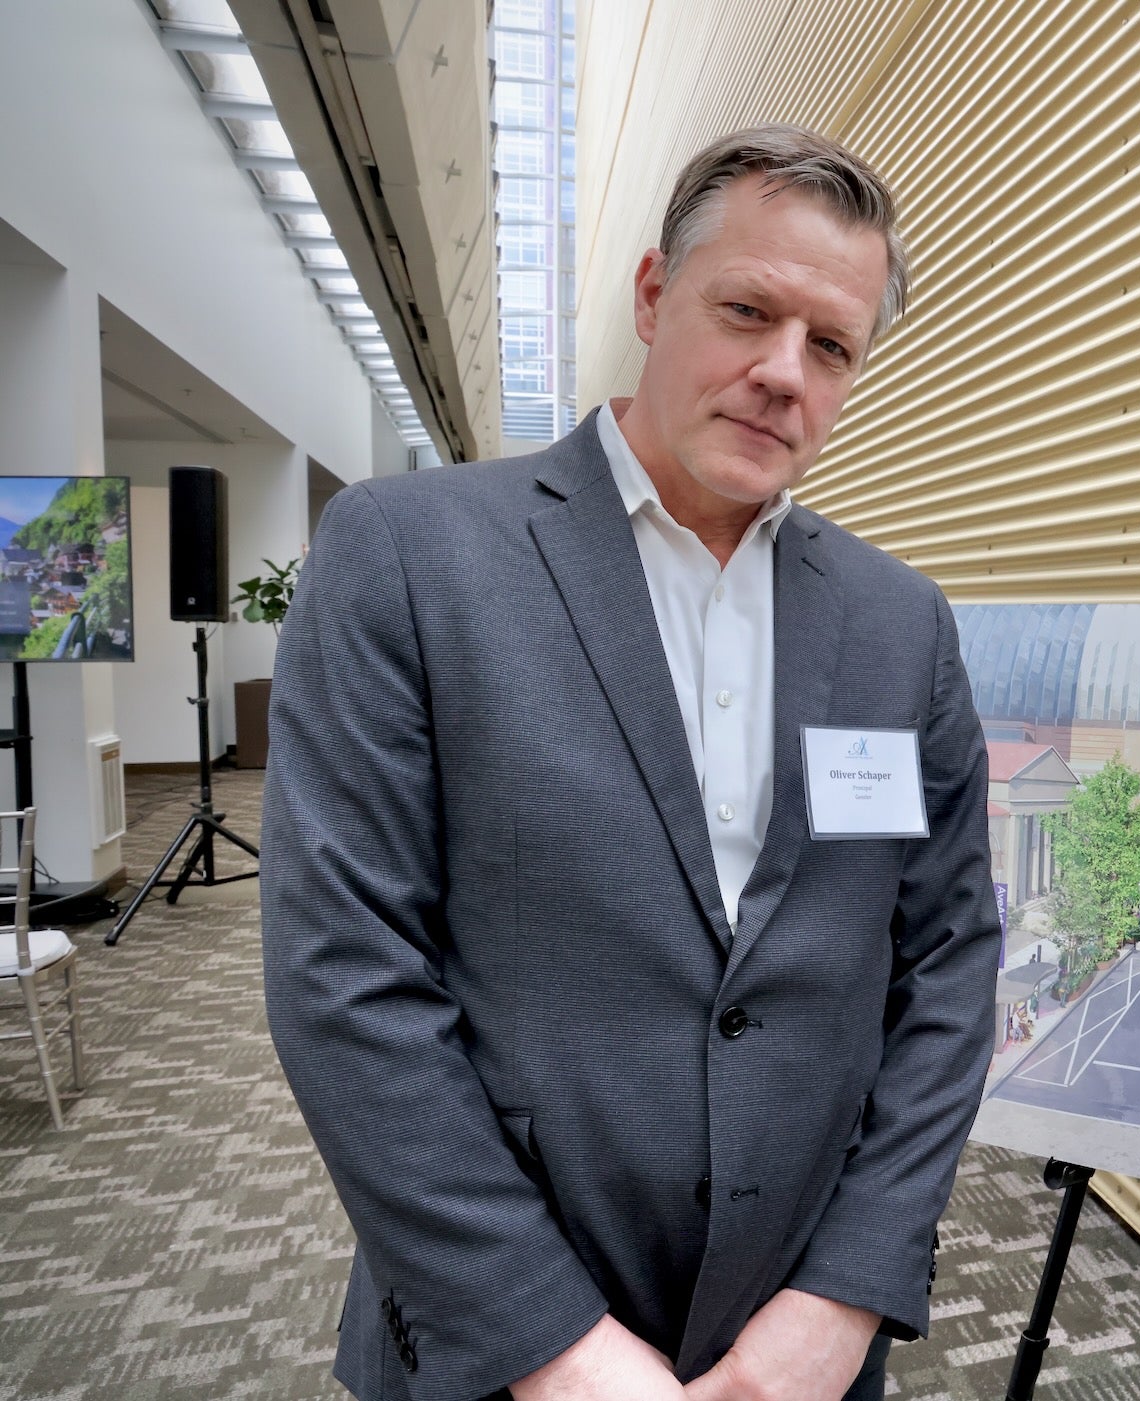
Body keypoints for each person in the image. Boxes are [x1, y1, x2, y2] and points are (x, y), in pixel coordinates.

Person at [261, 125, 1001, 1401]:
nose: (784, 373)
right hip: (500, 1347)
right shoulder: (411, 557)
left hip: (798, 1353)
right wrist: (552, 1347)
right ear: (655, 296)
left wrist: (841, 1302)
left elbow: (947, 963)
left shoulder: (899, 623)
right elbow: (347, 972)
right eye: (748, 311)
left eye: (831, 347)